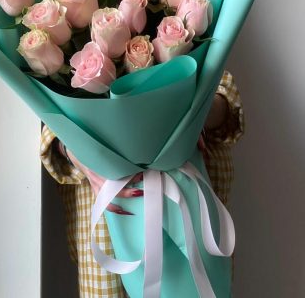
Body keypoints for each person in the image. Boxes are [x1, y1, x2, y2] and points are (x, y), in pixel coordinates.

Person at [40, 71, 243, 297]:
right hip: (108, 204)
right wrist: (80, 155)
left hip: (188, 195)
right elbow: (53, 120)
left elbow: (224, 100)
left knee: (199, 284)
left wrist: (191, 113)